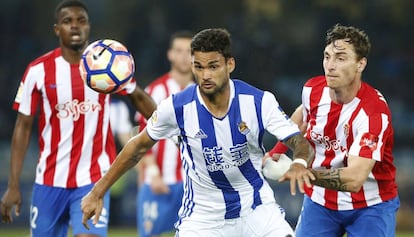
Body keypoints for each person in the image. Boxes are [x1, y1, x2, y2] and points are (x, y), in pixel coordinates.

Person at [81, 28, 315, 237]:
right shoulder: (177, 107)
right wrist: (97, 192)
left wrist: (300, 163)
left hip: (256, 209)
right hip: (203, 218)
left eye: (213, 66)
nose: (205, 75)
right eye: (199, 67)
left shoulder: (258, 101)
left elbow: (298, 141)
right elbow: (137, 146)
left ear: (229, 64)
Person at [0, 1, 156, 237]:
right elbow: (22, 127)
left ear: (89, 27)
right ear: (57, 29)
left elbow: (137, 97)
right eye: (67, 21)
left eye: (81, 21)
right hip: (49, 180)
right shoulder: (38, 70)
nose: (75, 26)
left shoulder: (106, 65)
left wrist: (165, 123)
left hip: (93, 179)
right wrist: (13, 185)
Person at [268, 23, 400, 237]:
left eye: (340, 58)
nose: (330, 66)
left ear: (360, 64)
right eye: (327, 56)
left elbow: (355, 179)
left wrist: (304, 173)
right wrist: (276, 152)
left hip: (370, 205)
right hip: (320, 202)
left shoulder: (372, 113)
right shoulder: (312, 90)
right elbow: (300, 118)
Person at [134, 30, 194, 237]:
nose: (184, 56)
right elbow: (141, 133)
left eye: (189, 51)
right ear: (170, 55)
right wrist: (152, 172)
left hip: (192, 185)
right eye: (179, 51)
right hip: (157, 181)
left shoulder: (203, 92)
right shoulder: (156, 90)